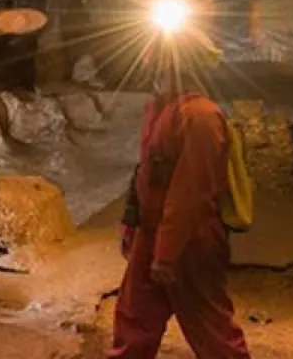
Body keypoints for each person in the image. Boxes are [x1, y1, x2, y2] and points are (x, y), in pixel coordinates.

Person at [109, 32, 252, 359]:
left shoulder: (201, 118)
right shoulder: (162, 110)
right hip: (153, 232)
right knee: (134, 317)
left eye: (160, 61)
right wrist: (132, 227)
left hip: (191, 239)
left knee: (210, 326)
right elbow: (146, 174)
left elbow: (191, 191)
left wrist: (167, 252)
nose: (153, 68)